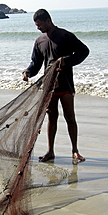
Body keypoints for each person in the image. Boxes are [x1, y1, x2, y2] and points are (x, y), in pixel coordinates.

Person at [22, 9, 89, 164]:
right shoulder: (39, 41)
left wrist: (66, 60)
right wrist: (27, 72)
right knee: (52, 118)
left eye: (39, 25)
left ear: (48, 20)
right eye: (36, 25)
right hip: (49, 85)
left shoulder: (65, 36)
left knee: (70, 117)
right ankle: (50, 151)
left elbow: (83, 51)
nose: (38, 28)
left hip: (65, 83)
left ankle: (75, 151)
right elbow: (36, 63)